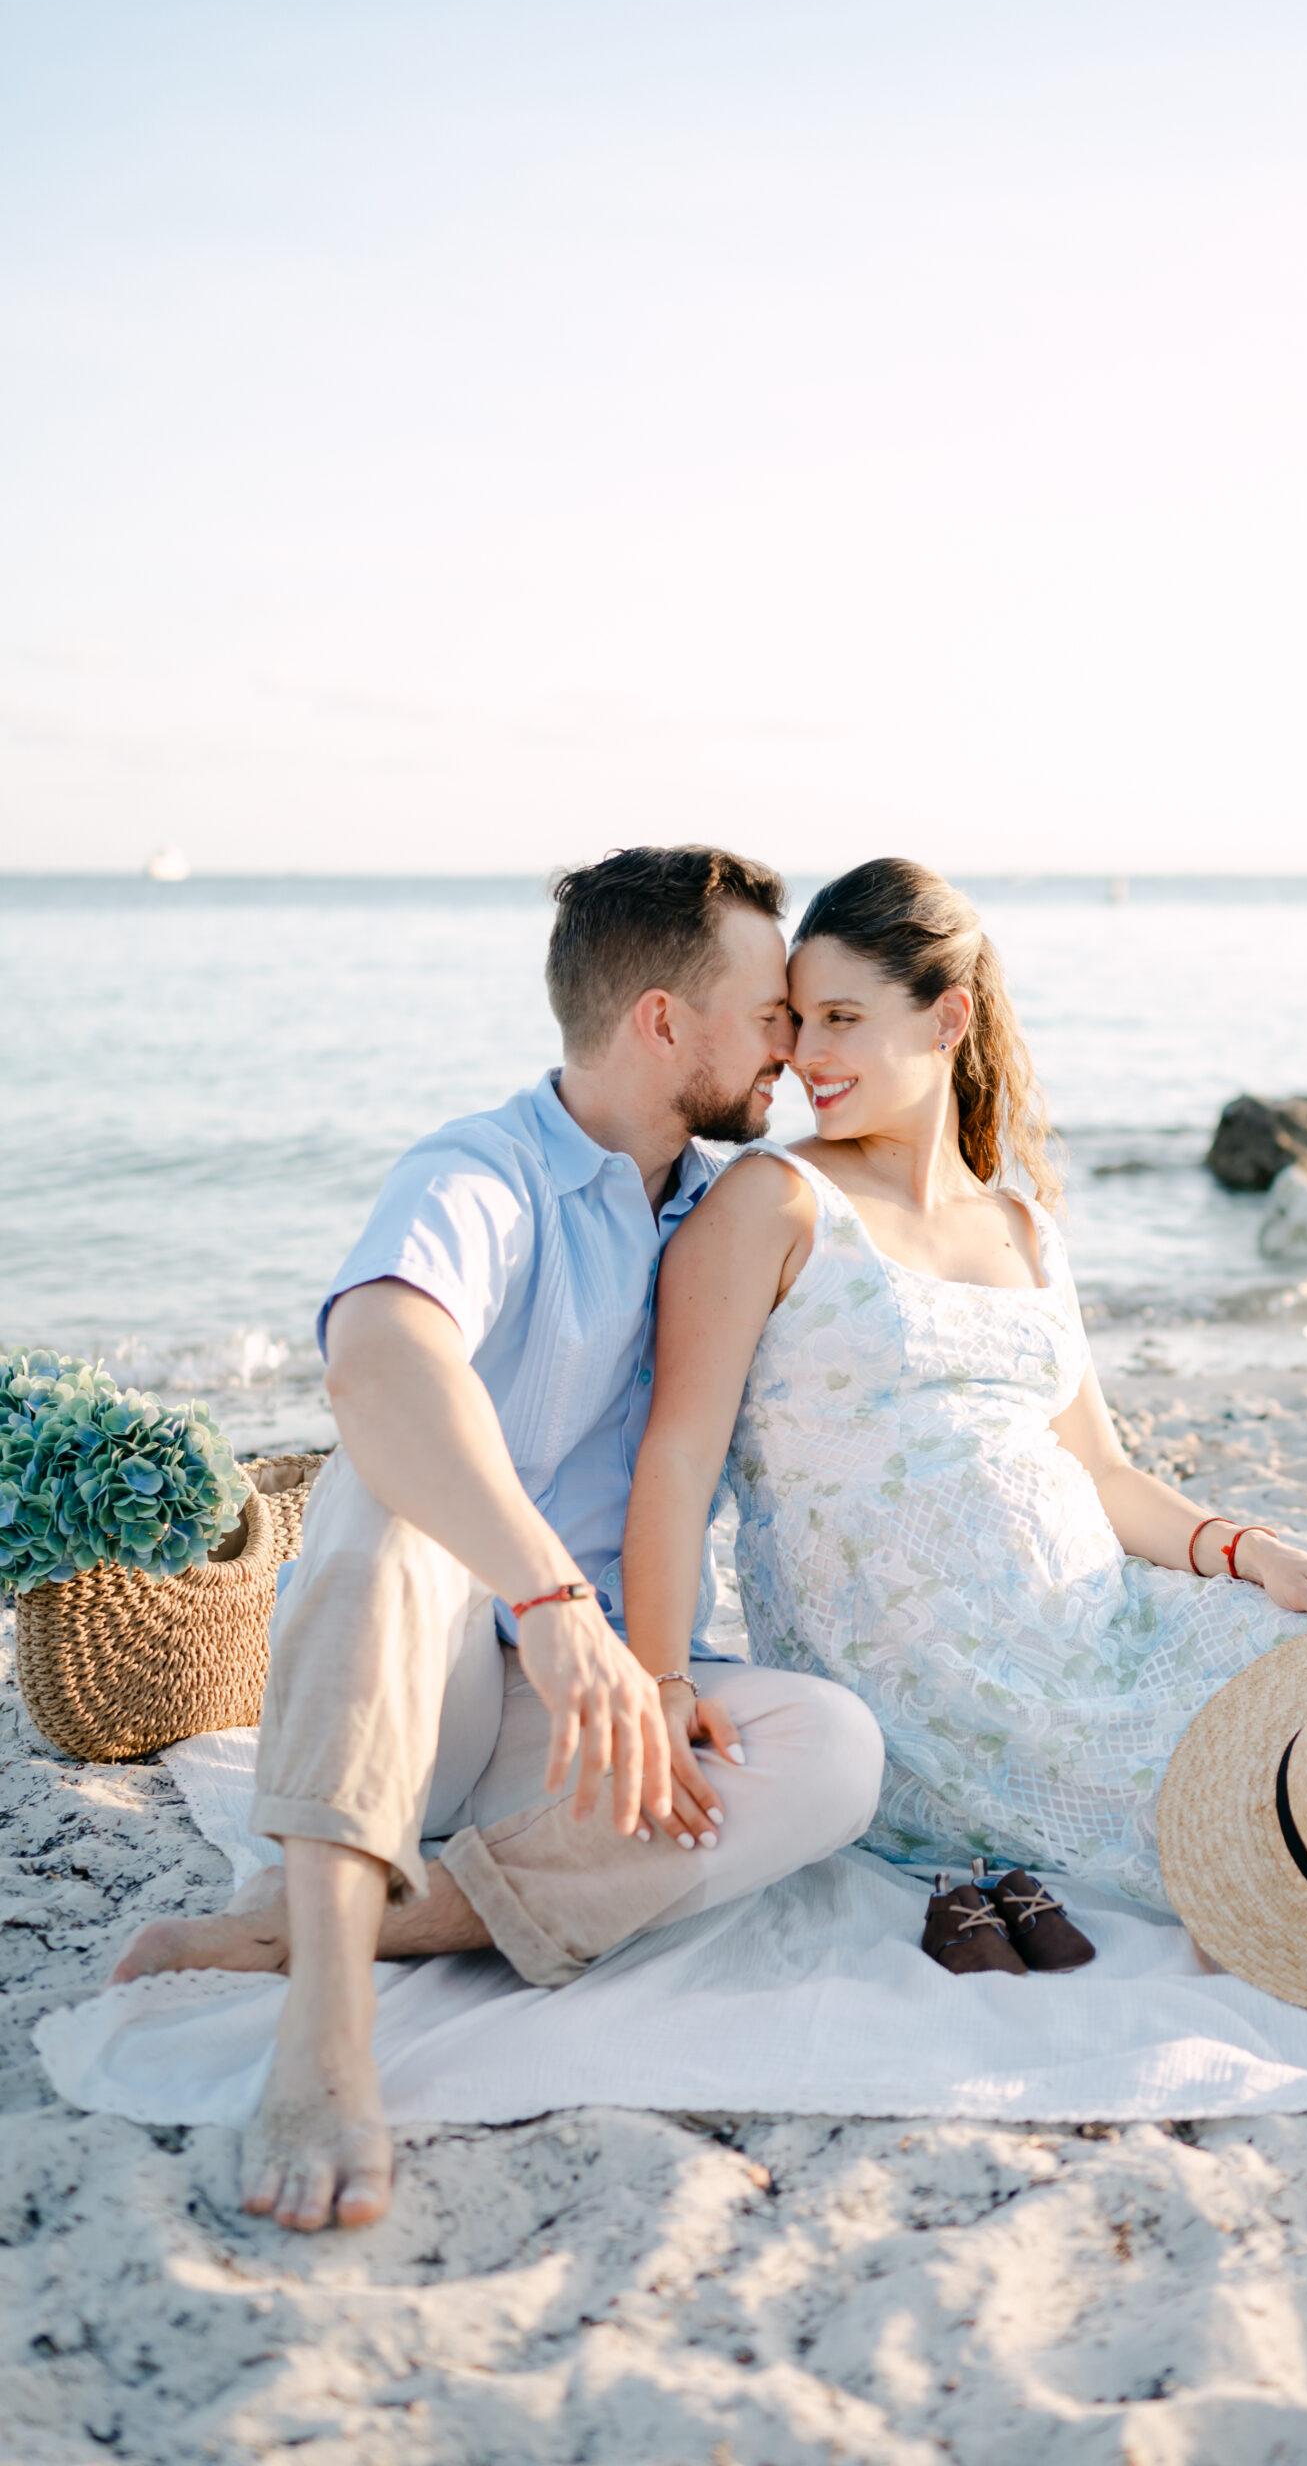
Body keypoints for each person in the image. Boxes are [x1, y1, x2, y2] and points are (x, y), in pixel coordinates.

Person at [621, 856, 1307, 1987]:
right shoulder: (774, 1201)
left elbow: (1097, 1467)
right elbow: (679, 1455)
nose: (804, 1054)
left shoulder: (1020, 1223)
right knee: (1282, 1803)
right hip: (942, 1689)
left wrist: (1247, 1550)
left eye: (840, 1018)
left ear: (947, 1018)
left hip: (1110, 1617)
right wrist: (661, 1679)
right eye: (795, 1021)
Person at [112, 846, 885, 2232]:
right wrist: (549, 1600)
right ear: (661, 1020)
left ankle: (298, 1935)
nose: (786, 1044)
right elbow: (378, 1361)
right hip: (421, 1686)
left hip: (570, 1740)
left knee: (833, 1753)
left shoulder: (719, 1207)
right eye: (768, 1012)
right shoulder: (486, 1173)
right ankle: (327, 2037)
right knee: (387, 1493)